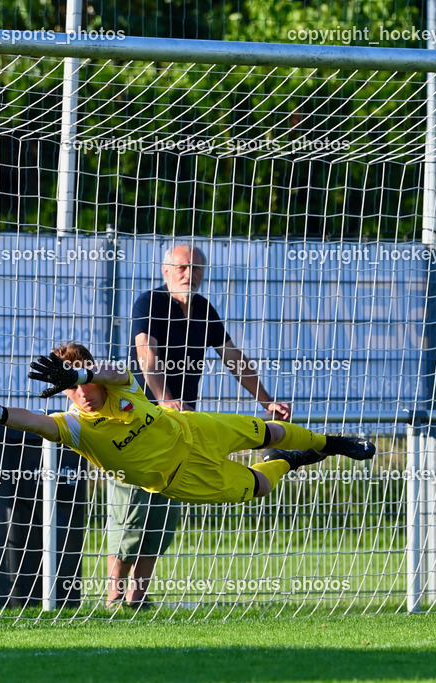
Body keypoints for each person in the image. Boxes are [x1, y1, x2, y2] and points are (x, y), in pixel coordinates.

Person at [0, 341, 375, 552]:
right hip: (180, 477)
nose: (81, 392)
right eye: (70, 387)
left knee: (270, 430)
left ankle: (330, 443)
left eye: (83, 379)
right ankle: (292, 463)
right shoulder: (74, 427)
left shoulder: (118, 386)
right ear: (62, 395)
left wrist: (80, 374)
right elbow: (33, 421)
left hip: (193, 430)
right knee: (259, 486)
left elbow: (116, 374)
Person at [106, 243, 297, 609]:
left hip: (182, 424)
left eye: (196, 268)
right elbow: (147, 352)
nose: (188, 274)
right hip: (137, 419)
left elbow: (232, 356)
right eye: (181, 267)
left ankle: (137, 597)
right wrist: (162, 397)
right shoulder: (151, 302)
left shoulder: (205, 309)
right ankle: (114, 594)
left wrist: (266, 400)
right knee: (131, 509)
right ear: (165, 271)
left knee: (166, 507)